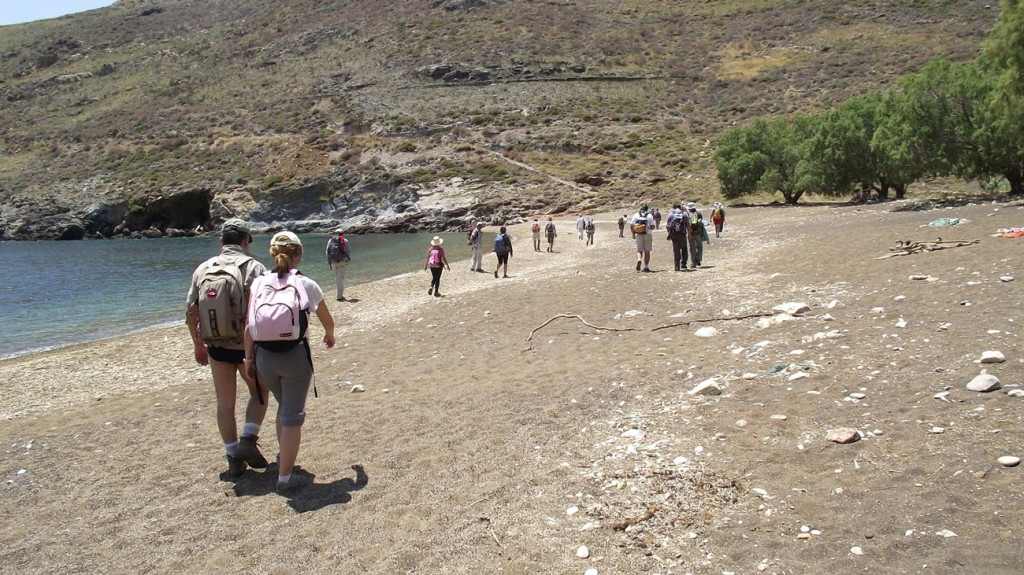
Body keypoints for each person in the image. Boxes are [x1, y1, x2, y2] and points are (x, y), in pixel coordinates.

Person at [243, 231, 336, 495]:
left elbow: (249, 326)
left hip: (264, 357)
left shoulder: (259, 283)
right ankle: (285, 478)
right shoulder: (307, 283)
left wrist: (249, 358)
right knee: (292, 416)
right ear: (299, 255)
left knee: (283, 405)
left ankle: (283, 460)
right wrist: (329, 335)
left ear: (273, 255)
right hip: (295, 356)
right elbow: (326, 320)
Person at [185, 218, 270, 479]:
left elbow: (191, 311)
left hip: (216, 345)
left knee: (225, 403)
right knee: (259, 394)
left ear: (221, 241)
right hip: (246, 346)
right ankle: (248, 437)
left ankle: (233, 457)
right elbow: (264, 308)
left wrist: (197, 343)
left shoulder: (203, 269)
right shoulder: (254, 267)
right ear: (246, 241)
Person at [325, 229, 351, 301]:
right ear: (342, 234)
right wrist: (348, 260)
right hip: (342, 261)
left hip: (333, 261)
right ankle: (339, 296)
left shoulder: (330, 241)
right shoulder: (345, 241)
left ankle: (339, 294)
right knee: (340, 279)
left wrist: (329, 262)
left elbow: (327, 252)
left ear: (335, 233)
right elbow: (349, 251)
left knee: (337, 278)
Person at [631, 204, 656, 272]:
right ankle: (646, 266)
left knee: (639, 250)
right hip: (647, 234)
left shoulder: (636, 215)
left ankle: (639, 259)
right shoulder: (649, 215)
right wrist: (649, 228)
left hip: (638, 234)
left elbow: (631, 225)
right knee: (647, 251)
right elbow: (653, 226)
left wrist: (633, 234)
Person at [666, 203, 690, 271]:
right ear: (680, 207)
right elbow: (688, 224)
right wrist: (689, 234)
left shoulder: (671, 214)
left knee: (676, 250)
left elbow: (667, 226)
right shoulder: (684, 213)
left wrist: (670, 233)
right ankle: (684, 264)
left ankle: (677, 266)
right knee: (684, 249)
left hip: (674, 234)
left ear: (673, 207)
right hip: (682, 234)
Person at [686, 202, 708, 268]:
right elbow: (701, 224)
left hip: (691, 233)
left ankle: (693, 264)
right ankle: (698, 258)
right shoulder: (699, 214)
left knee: (692, 249)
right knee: (699, 247)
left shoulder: (688, 215)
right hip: (698, 233)